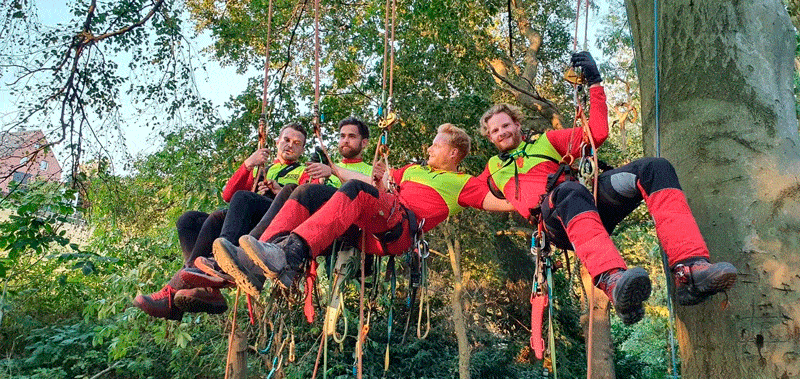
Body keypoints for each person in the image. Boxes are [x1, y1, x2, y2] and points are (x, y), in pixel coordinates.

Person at [477, 51, 737, 325]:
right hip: (559, 221)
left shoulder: (545, 142)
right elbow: (463, 193)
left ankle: (690, 269)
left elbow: (596, 133)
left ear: (517, 124)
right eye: (494, 131)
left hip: (588, 203)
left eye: (505, 125)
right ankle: (614, 281)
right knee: (568, 191)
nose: (501, 133)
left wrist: (595, 83)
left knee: (654, 168)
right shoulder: (493, 169)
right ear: (489, 137)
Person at [213, 123, 514, 298]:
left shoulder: (463, 184)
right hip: (370, 223)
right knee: (306, 191)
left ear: (453, 152)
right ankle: (258, 262)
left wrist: (534, 202)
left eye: (436, 146)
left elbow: (501, 202)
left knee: (358, 192)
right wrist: (333, 168)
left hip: (396, 230)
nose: (429, 150)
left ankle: (291, 254)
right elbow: (367, 179)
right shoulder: (410, 171)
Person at [133, 122, 308, 320]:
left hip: (272, 220)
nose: (290, 145)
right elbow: (228, 195)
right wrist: (248, 165)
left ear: (302, 149)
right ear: (277, 141)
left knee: (236, 203)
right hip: (245, 215)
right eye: (286, 140)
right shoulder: (262, 168)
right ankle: (206, 285)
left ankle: (210, 268)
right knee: (189, 220)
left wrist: (278, 190)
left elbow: (301, 202)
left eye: (296, 143)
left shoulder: (303, 171)